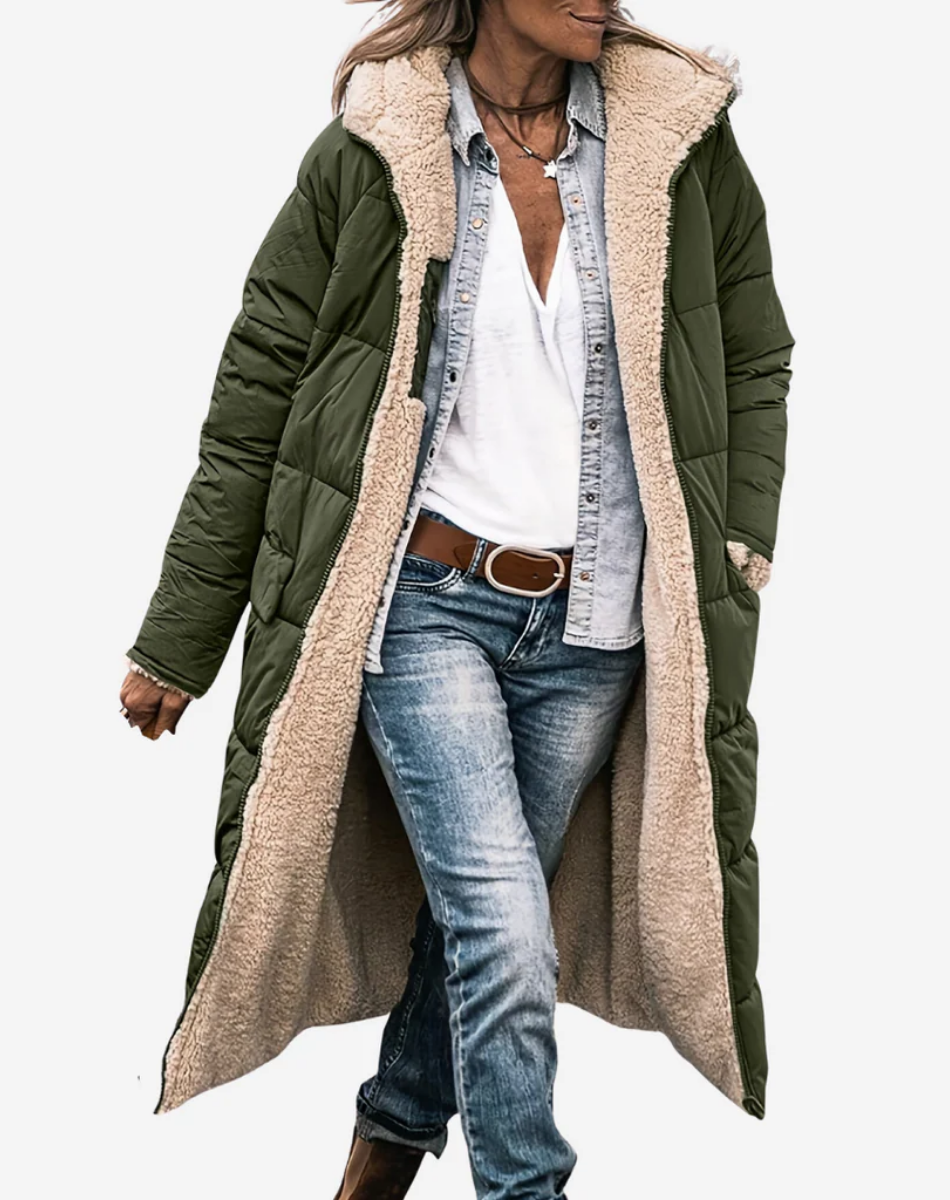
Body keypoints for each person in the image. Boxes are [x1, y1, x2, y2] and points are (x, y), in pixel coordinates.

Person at [119, 3, 794, 1199]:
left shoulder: (676, 143)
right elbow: (256, 394)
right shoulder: (375, 150)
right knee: (507, 934)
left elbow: (752, 354)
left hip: (595, 621)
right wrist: (181, 637)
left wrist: (738, 541)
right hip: (424, 603)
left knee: (479, 926)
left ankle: (382, 1151)